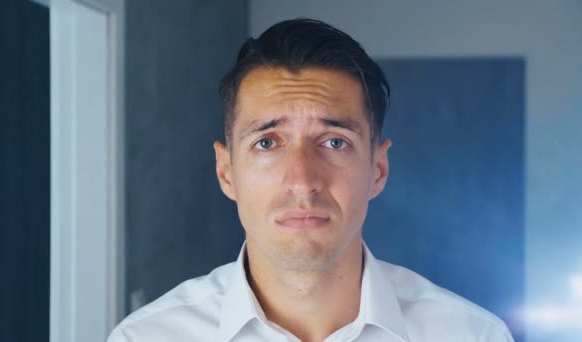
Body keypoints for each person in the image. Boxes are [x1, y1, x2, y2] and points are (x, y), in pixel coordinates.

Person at [107, 18, 514, 342]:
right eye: (267, 143)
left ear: (378, 169)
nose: (302, 181)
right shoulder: (146, 337)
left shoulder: (473, 335)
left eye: (335, 142)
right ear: (226, 171)